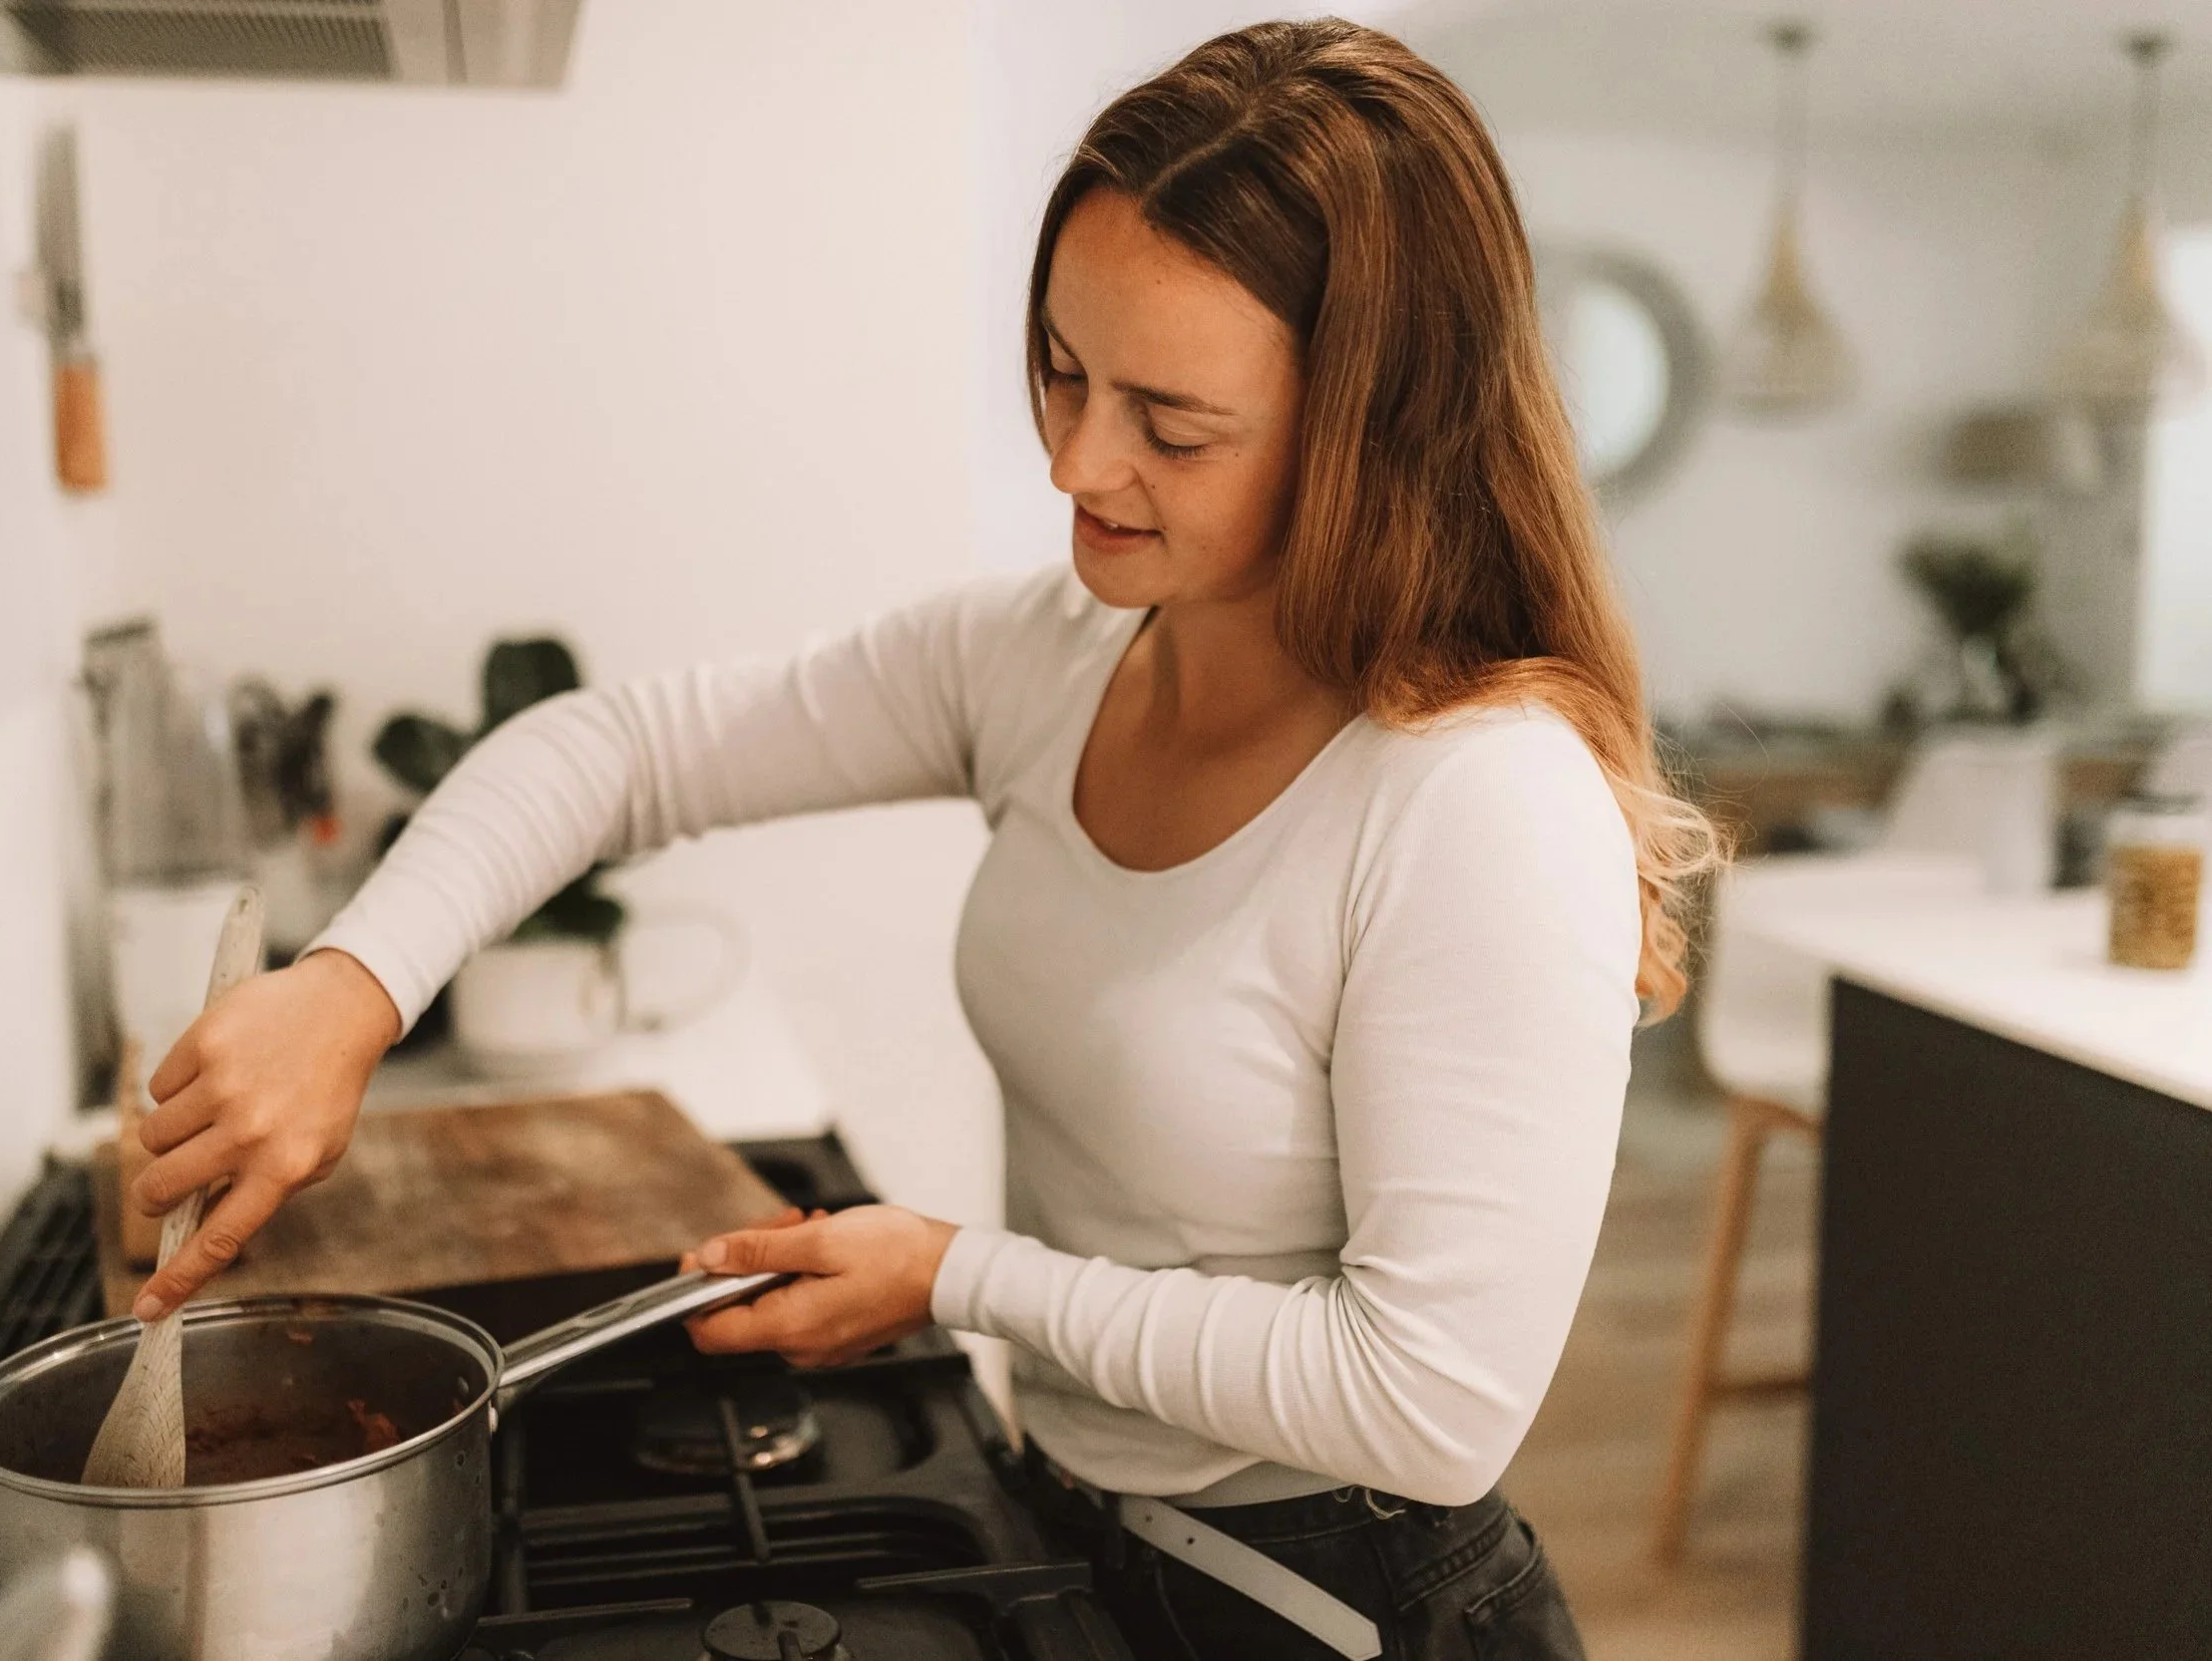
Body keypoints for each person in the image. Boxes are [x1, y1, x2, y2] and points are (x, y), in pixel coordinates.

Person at [126, 20, 1715, 1658]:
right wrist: (351, 985)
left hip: (1349, 1596)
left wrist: (956, 1272)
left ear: (1373, 431)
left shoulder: (1478, 798)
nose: (1078, 460)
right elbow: (621, 749)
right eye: (1061, 365)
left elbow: (1428, 1400)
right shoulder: (1050, 656)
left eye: (1172, 424)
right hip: (1094, 1525)